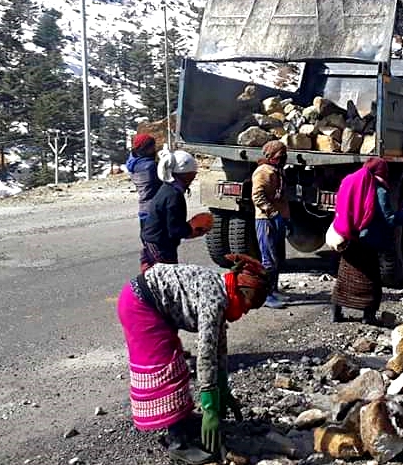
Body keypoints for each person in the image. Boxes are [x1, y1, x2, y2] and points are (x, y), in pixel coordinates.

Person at [116, 255, 270, 464]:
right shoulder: (214, 300)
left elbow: (219, 347)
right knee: (164, 368)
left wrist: (223, 389)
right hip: (139, 305)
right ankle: (177, 441)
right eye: (247, 306)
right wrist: (209, 407)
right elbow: (206, 354)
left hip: (151, 305)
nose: (243, 313)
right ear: (241, 293)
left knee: (177, 364)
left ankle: (184, 420)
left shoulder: (222, 289)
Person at [330, 159, 403, 325]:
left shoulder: (352, 182)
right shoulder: (379, 190)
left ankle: (336, 313)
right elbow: (390, 219)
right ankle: (367, 317)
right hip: (369, 241)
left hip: (349, 236)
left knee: (344, 277)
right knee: (372, 279)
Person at [140, 150, 209, 272]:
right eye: (192, 174)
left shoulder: (168, 188)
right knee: (164, 280)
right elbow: (175, 230)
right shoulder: (174, 195)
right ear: (184, 174)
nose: (194, 177)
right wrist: (194, 229)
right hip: (160, 244)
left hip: (153, 241)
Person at [251, 140, 290, 309]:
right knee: (268, 260)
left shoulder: (277, 171)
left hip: (278, 218)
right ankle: (265, 296)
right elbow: (257, 196)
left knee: (277, 258)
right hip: (266, 220)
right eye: (280, 156)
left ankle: (273, 289)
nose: (283, 159)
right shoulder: (263, 172)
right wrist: (273, 213)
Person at [126, 134, 162, 228]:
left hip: (144, 210)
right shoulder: (150, 167)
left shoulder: (133, 162)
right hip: (154, 212)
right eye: (152, 147)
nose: (155, 149)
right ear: (146, 149)